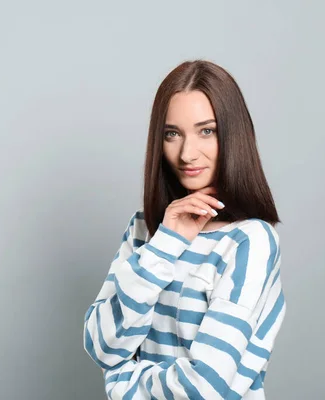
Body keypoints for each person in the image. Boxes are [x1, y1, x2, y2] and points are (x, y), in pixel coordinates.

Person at [83, 60, 286, 399]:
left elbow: (203, 388)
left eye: (207, 131)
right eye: (172, 134)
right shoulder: (145, 229)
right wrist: (167, 242)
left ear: (233, 135)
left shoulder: (250, 241)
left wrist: (124, 383)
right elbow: (102, 347)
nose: (187, 153)